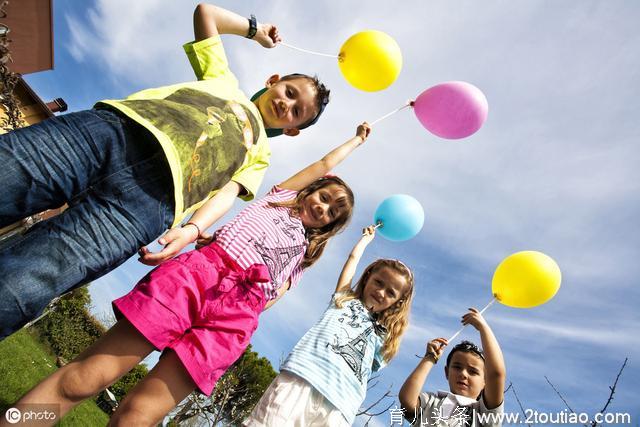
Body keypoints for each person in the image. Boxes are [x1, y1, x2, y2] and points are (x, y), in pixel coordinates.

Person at [2, 123, 371, 427]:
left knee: (139, 416)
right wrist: (355, 140)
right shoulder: (278, 197)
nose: (324, 208)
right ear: (311, 189)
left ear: (332, 226)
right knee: (85, 378)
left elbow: (272, 299)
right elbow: (324, 161)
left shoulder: (303, 258)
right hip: (199, 277)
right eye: (324, 197)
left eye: (334, 212)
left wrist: (244, 313)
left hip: (236, 318)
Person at [0, 3, 331, 339]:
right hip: (112, 135)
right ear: (272, 80)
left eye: (296, 111)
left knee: (27, 283)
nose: (286, 104)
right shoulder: (224, 81)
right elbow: (205, 14)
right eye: (289, 92)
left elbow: (229, 192)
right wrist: (254, 30)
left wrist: (193, 229)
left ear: (292, 130)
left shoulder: (260, 153)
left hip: (145, 207)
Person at [245, 226, 415, 426]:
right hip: (303, 376)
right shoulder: (344, 299)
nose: (381, 292)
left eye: (391, 293)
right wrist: (364, 241)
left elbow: (390, 342)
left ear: (397, 303)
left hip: (341, 405)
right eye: (378, 282)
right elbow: (352, 260)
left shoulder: (383, 336)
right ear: (368, 277)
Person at [399, 309, 506, 426]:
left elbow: (496, 374)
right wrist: (429, 358)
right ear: (446, 372)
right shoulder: (431, 401)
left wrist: (483, 328)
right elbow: (407, 400)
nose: (463, 374)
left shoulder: (483, 414)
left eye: (473, 371)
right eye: (457, 367)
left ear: (485, 381)